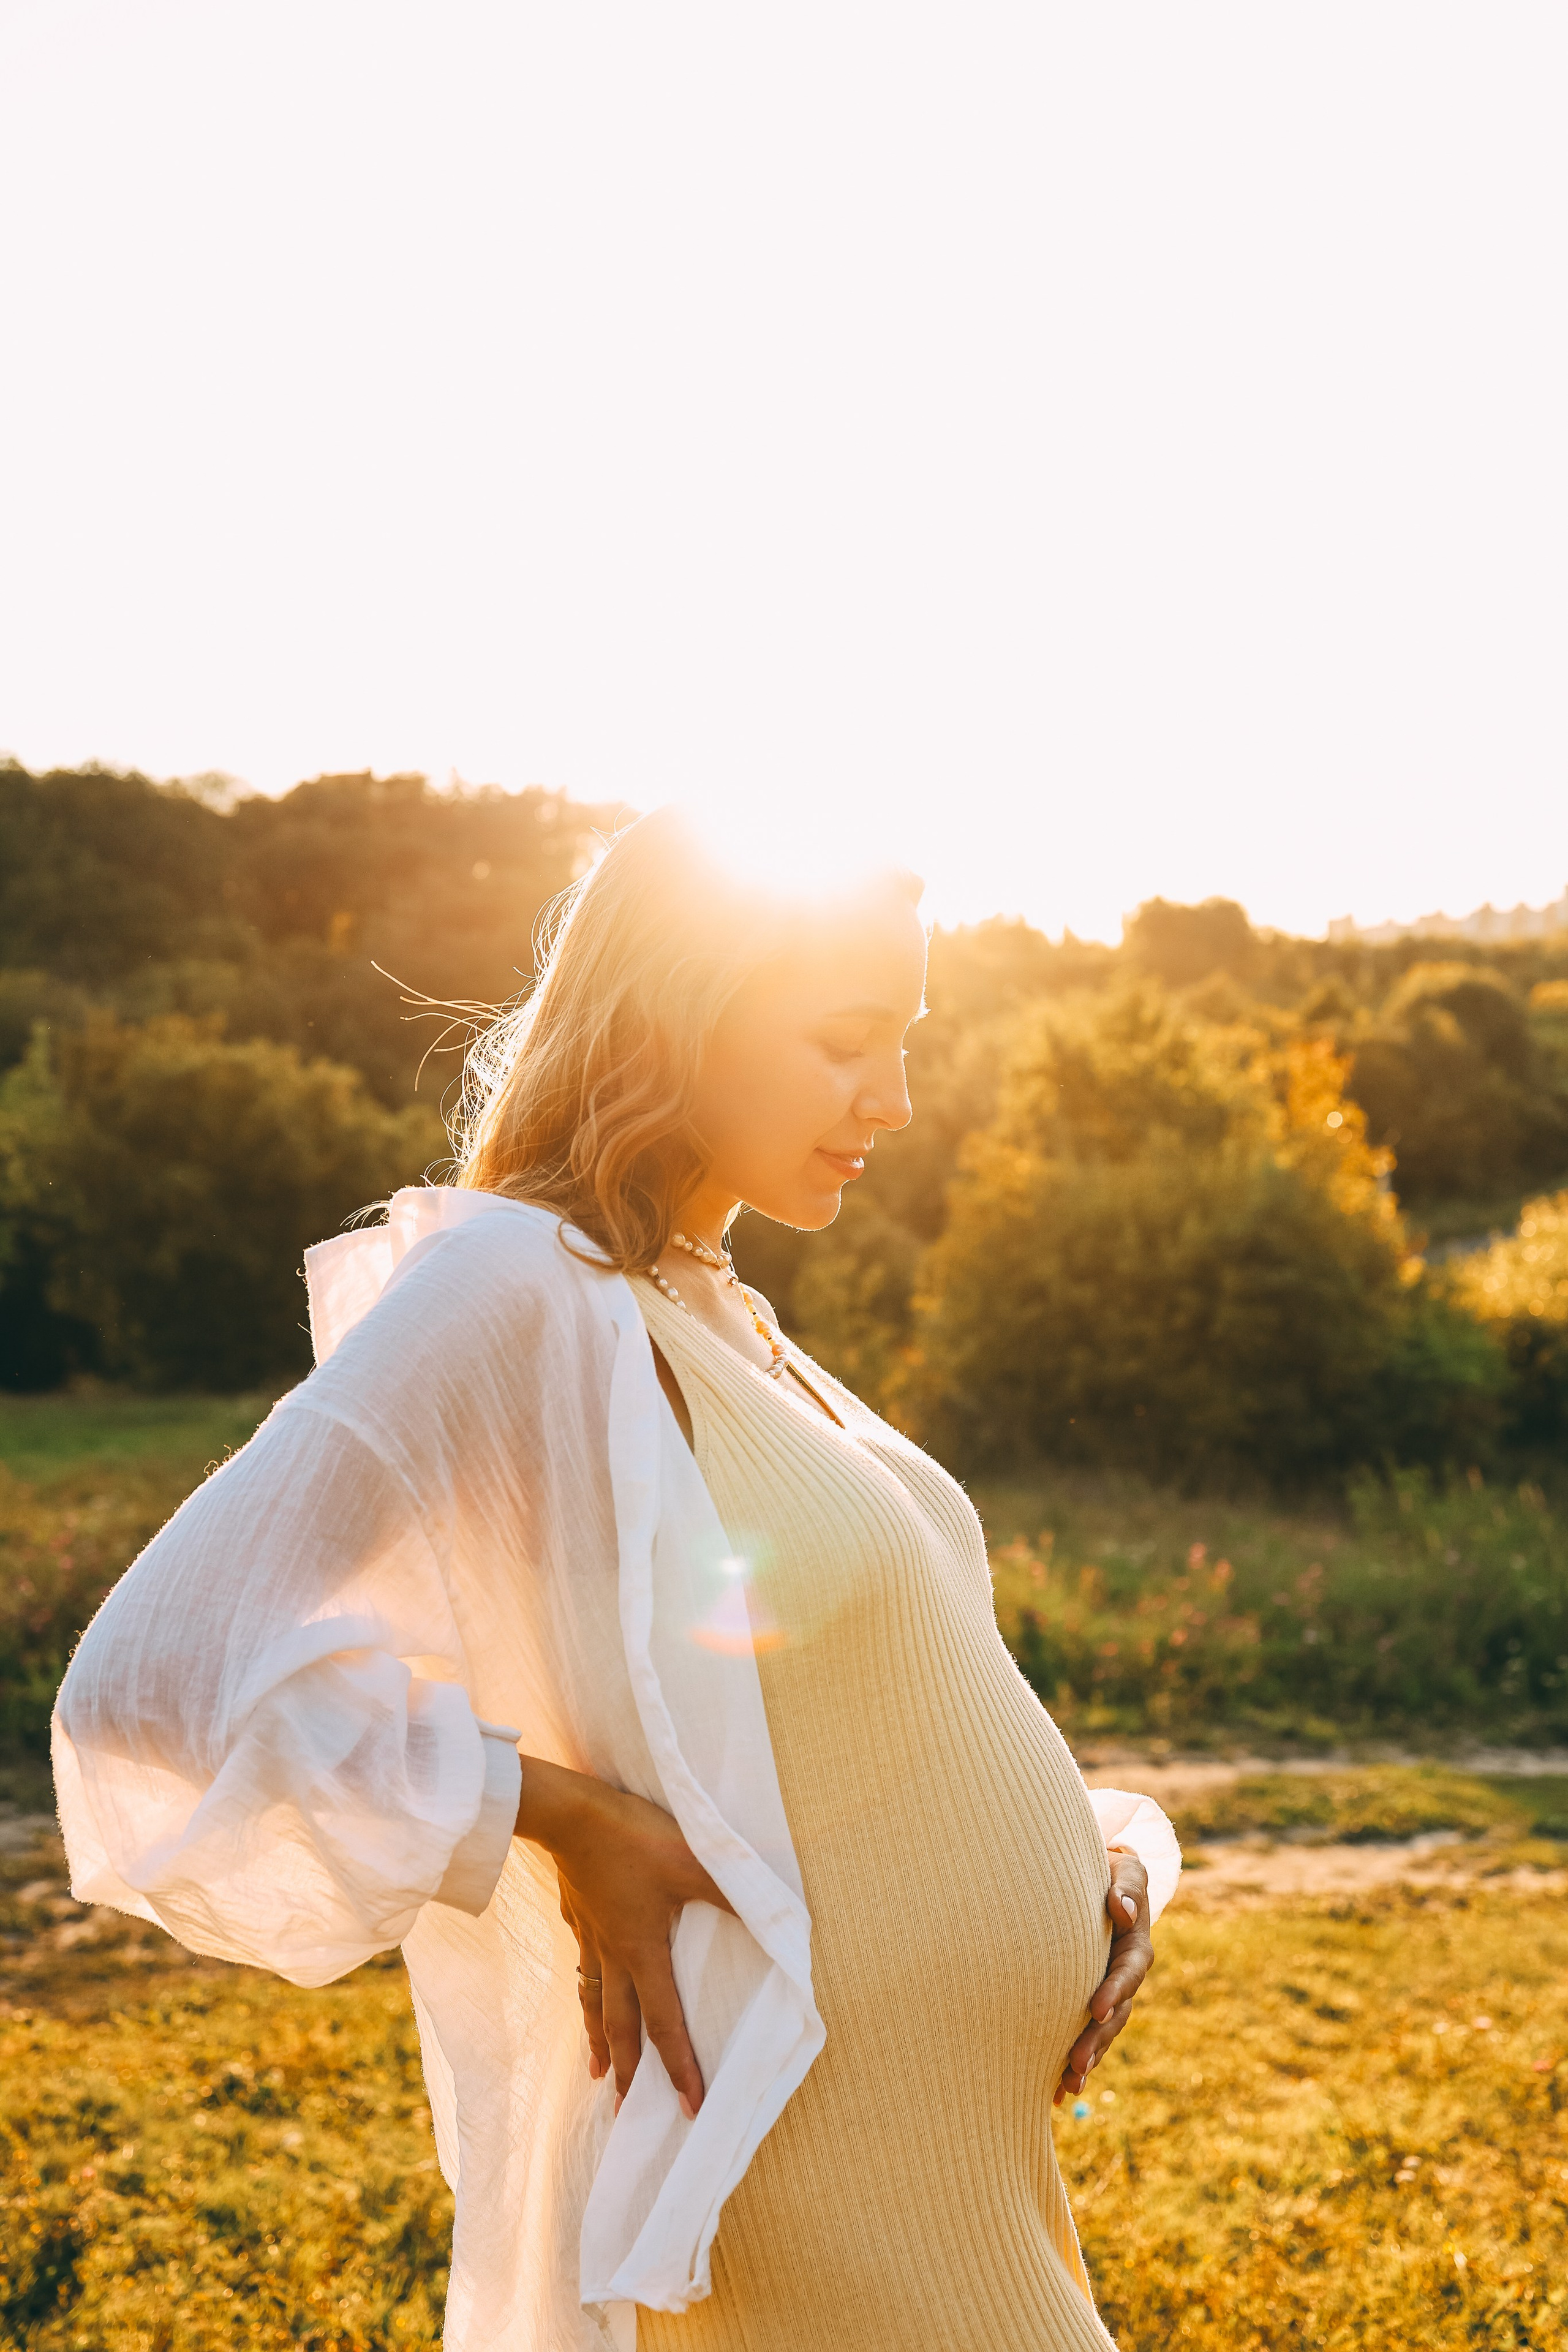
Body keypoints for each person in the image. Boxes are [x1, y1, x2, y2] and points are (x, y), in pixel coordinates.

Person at [54, 808, 1180, 2352]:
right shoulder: (515, 1280)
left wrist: (1093, 1868)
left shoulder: (712, 1307)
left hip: (957, 2164)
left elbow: (859, 1717)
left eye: (909, 1040)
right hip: (797, 2163)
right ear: (676, 1015)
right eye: (848, 1039)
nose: (897, 1099)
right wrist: (565, 1819)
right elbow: (155, 1676)